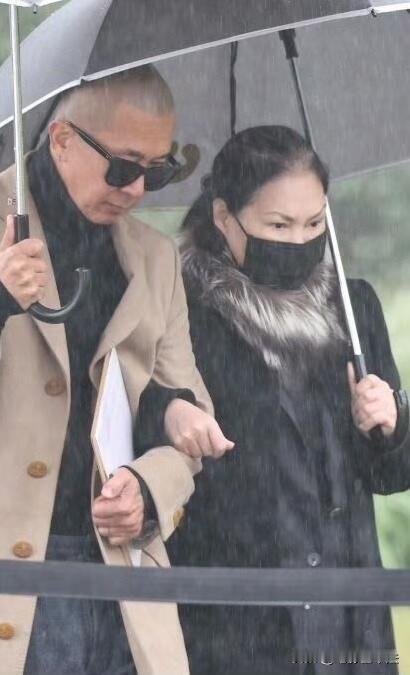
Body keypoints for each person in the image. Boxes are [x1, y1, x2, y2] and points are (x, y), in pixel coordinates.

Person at [0, 65, 233, 675]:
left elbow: (191, 416)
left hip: (124, 588)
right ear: (61, 139)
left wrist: (149, 491)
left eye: (160, 170)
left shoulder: (155, 259)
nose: (138, 189)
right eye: (124, 167)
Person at [168, 125, 410, 675]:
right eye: (278, 225)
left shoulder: (354, 309)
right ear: (224, 217)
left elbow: (392, 476)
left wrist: (391, 425)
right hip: (240, 624)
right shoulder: (188, 316)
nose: (299, 241)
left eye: (315, 223)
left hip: (351, 620)